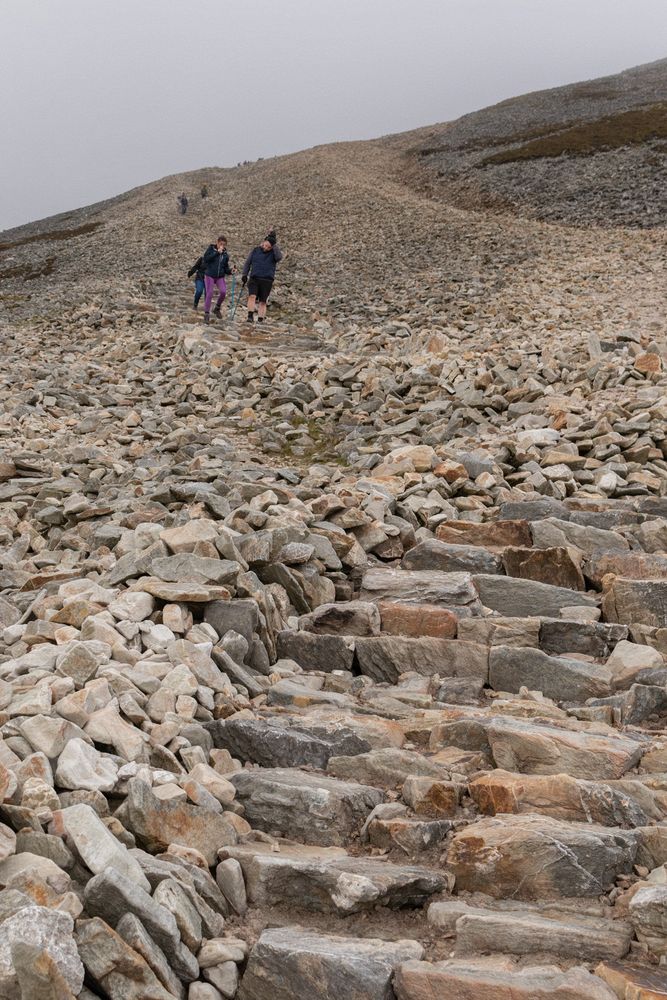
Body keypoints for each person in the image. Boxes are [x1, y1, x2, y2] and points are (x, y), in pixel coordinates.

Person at [241, 230, 283, 324]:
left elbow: (279, 258)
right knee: (252, 296)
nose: (266, 248)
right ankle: (250, 316)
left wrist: (274, 244)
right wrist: (244, 274)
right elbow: (248, 263)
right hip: (254, 278)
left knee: (263, 302)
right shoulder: (255, 250)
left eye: (269, 247)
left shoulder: (274, 253)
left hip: (267, 280)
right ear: (263, 242)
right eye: (265, 245)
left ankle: (260, 319)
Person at [202, 236, 234, 323]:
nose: (222, 246)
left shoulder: (225, 255)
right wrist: (217, 253)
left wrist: (231, 271)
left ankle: (217, 308)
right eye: (220, 244)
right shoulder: (211, 249)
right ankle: (206, 313)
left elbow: (225, 268)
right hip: (210, 275)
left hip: (220, 276)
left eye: (224, 244)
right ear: (217, 242)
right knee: (210, 293)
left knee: (223, 292)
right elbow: (206, 259)